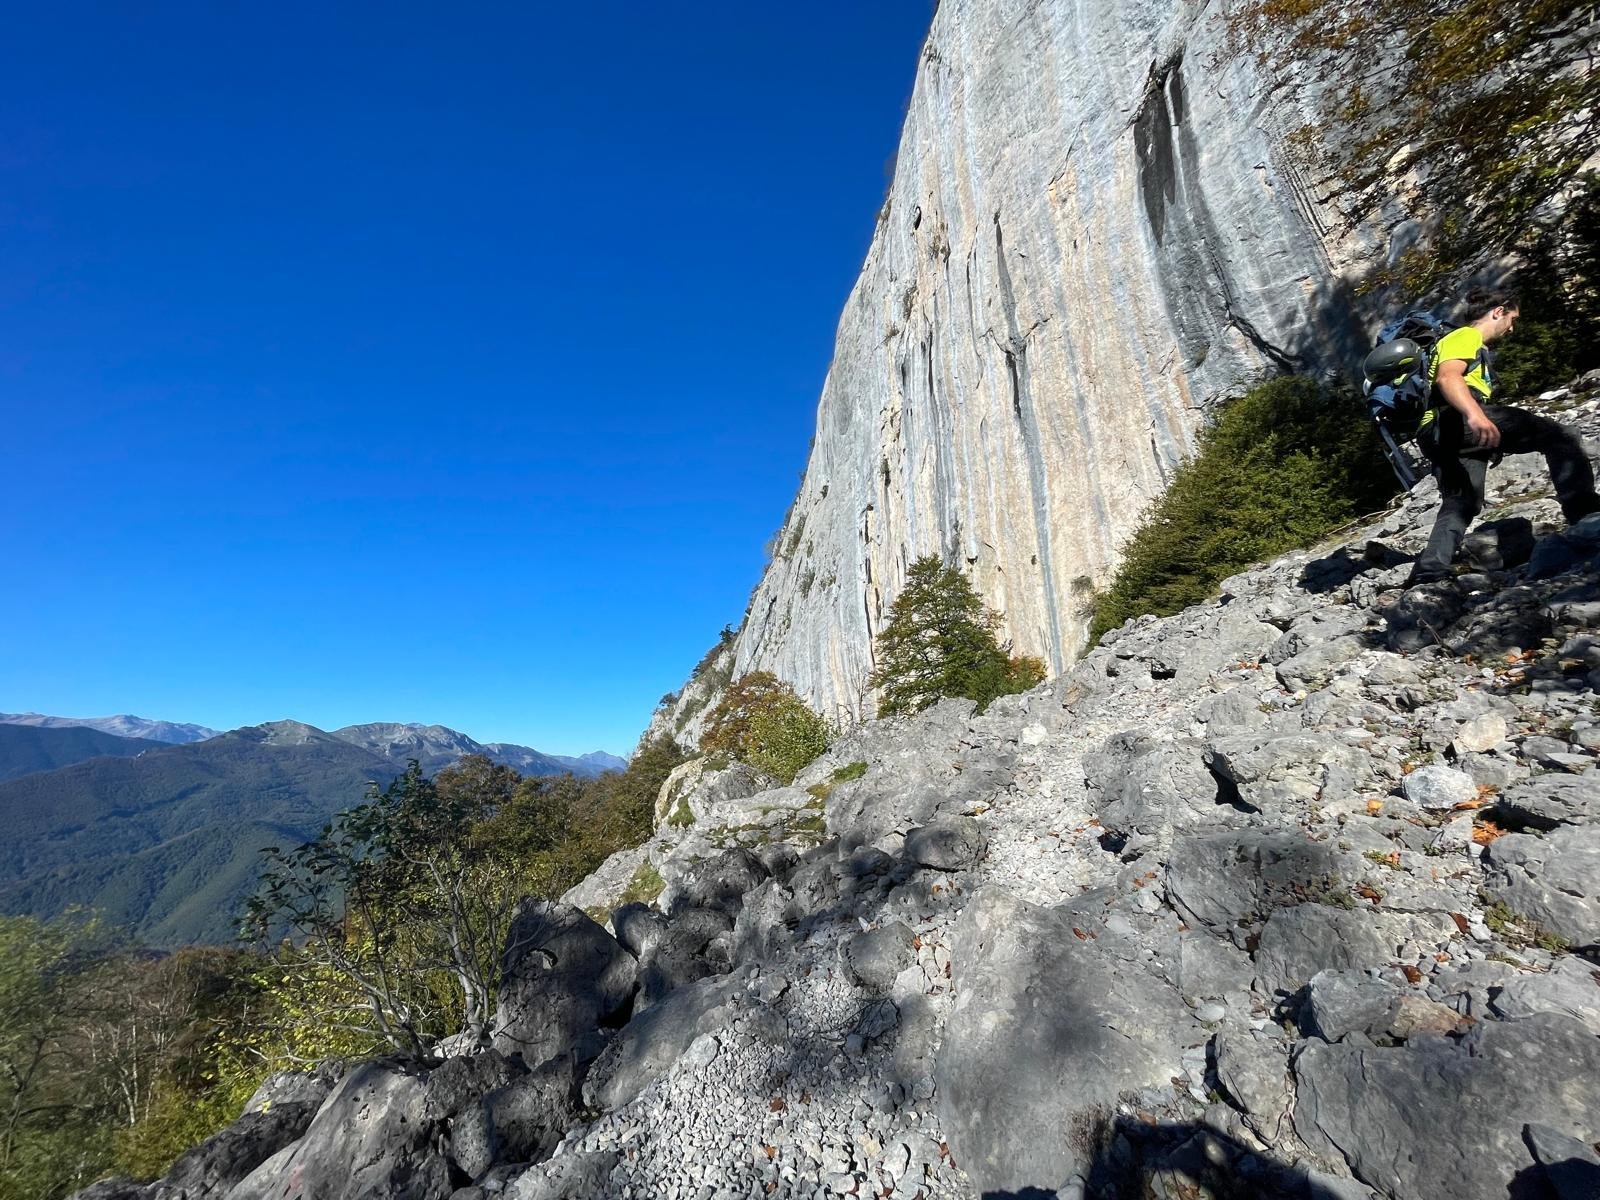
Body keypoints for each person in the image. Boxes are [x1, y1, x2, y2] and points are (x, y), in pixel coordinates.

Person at [1407, 288, 1600, 585]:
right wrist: (1475, 415)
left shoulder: (1461, 344)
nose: (1512, 327)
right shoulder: (1465, 336)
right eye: (1512, 318)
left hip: (1435, 433)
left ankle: (1430, 570)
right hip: (1454, 421)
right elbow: (1448, 377)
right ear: (1497, 312)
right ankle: (1586, 515)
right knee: (1560, 434)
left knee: (1462, 501)